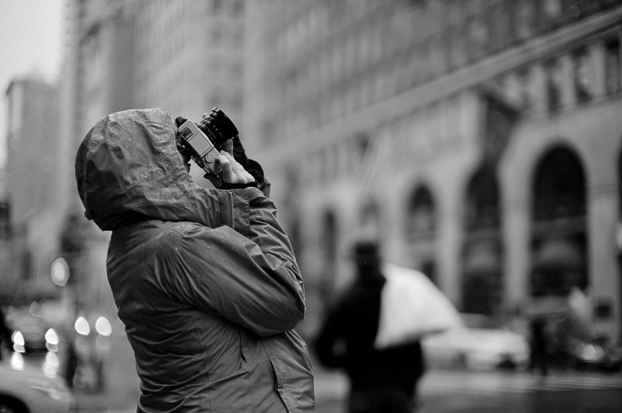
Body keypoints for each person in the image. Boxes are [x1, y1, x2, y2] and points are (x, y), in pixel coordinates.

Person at [75, 108, 315, 412]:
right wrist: (251, 200)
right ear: (148, 167)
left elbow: (234, 249)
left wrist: (246, 186)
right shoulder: (175, 246)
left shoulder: (133, 243)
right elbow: (286, 299)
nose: (183, 162)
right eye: (171, 151)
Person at [313, 240, 424, 413]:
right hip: (398, 393)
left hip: (363, 392)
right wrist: (409, 387)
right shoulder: (399, 296)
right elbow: (415, 350)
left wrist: (349, 363)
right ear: (380, 260)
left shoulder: (346, 299)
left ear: (355, 262)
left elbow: (322, 346)